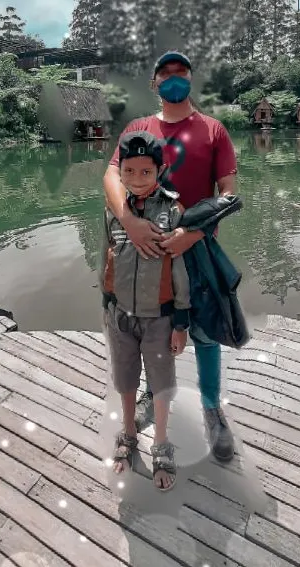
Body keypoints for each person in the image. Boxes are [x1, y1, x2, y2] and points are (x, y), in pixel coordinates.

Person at [103, 51, 238, 462]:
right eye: (166, 73)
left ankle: (212, 409)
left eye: (181, 73)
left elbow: (229, 193)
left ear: (191, 79)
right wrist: (130, 221)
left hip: (196, 251)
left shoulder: (213, 130)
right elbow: (110, 174)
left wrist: (192, 234)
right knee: (149, 325)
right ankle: (149, 393)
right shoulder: (138, 128)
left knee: (205, 332)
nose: (174, 79)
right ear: (154, 83)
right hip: (143, 249)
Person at [101, 130, 191, 491]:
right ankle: (127, 431)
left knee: (162, 383)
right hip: (120, 315)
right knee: (124, 379)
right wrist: (108, 304)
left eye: (146, 172)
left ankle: (162, 443)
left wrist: (180, 321)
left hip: (159, 318)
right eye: (129, 171)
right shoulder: (114, 211)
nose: (137, 180)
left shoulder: (172, 212)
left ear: (160, 171)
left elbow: (181, 270)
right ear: (119, 170)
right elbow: (107, 257)